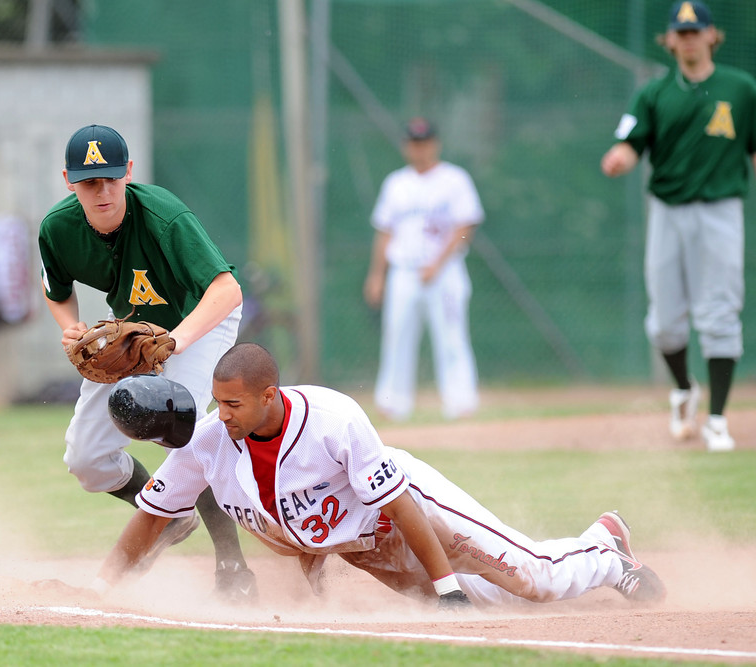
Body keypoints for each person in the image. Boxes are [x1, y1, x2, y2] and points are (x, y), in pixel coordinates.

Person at [89, 343, 666, 610]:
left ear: (271, 395)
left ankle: (606, 551)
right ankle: (572, 563)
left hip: (411, 507)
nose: (223, 414)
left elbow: (403, 504)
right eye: (218, 402)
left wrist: (444, 587)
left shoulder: (333, 420)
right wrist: (101, 589)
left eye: (234, 403)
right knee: (493, 603)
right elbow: (152, 519)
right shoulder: (212, 442)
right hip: (364, 544)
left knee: (530, 580)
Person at [37, 124, 256, 601]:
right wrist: (69, 326)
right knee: (86, 459)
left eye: (112, 178)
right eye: (90, 182)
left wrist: (176, 343)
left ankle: (233, 565)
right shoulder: (58, 228)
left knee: (186, 432)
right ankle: (173, 515)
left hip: (197, 323)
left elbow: (227, 290)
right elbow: (56, 291)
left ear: (129, 173)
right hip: (133, 334)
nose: (103, 191)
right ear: (69, 182)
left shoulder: (164, 217)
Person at [601, 1, 756, 452]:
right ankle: (685, 388)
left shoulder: (741, 89)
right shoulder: (653, 94)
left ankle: (718, 419)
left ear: (712, 36)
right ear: (669, 40)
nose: (688, 38)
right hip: (667, 210)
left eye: (695, 31)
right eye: (680, 32)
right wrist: (620, 158)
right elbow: (629, 144)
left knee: (720, 312)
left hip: (721, 210)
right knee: (666, 322)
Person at [363, 117, 483, 422]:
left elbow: (465, 226)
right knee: (397, 335)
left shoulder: (454, 179)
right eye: (413, 143)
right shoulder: (396, 183)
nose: (419, 148)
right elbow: (384, 231)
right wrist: (377, 275)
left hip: (445, 272)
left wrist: (438, 263)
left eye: (424, 142)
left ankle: (460, 401)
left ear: (435, 144)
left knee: (451, 337)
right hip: (403, 270)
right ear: (406, 146)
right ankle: (393, 403)